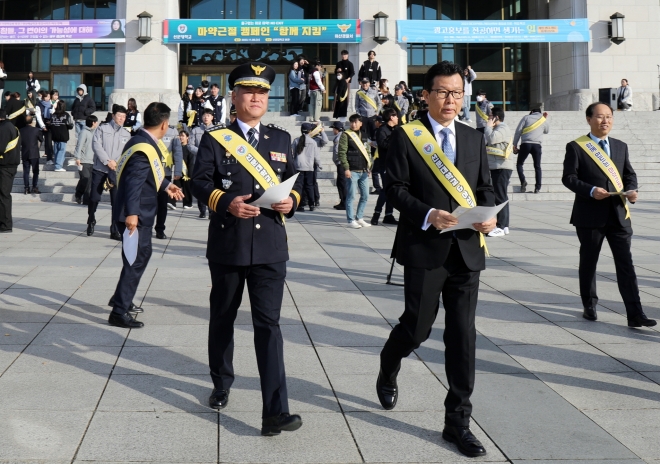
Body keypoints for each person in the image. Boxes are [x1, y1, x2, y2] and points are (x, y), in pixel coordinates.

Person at [377, 61, 496, 459]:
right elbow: (393, 187)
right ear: (425, 95)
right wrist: (428, 214)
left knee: (463, 336)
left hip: (466, 251)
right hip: (425, 248)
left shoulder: (473, 137)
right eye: (443, 92)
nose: (451, 100)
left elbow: (485, 188)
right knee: (417, 329)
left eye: (458, 93)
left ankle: (457, 422)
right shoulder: (407, 137)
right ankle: (390, 359)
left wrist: (491, 216)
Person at [191, 61, 304, 436]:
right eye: (248, 91)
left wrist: (294, 201)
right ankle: (221, 382)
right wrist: (226, 203)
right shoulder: (215, 138)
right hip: (229, 243)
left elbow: (300, 184)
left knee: (268, 326)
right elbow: (199, 183)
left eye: (262, 92)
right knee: (223, 317)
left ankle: (275, 410)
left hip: (271, 246)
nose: (256, 97)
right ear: (234, 96)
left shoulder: (281, 139)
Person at [562, 102, 656, 328]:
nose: (605, 121)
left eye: (609, 117)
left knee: (626, 264)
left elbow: (629, 175)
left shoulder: (620, 146)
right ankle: (590, 305)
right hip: (590, 215)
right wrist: (592, 191)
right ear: (588, 119)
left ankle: (635, 313)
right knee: (589, 262)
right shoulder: (576, 147)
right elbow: (569, 178)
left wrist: (632, 190)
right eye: (600, 117)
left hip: (619, 214)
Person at [108, 102, 183, 329]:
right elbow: (133, 182)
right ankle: (119, 310)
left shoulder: (139, 141)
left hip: (138, 211)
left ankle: (122, 298)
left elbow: (149, 175)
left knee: (138, 256)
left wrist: (167, 185)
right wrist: (132, 214)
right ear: (164, 123)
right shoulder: (144, 146)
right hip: (137, 214)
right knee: (136, 258)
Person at [88, 105, 129, 239]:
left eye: (124, 117)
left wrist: (117, 164)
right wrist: (107, 161)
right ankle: (91, 219)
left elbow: (126, 153)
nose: (122, 119)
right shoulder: (102, 129)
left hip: (116, 171)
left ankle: (114, 229)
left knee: (116, 201)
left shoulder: (126, 134)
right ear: (113, 116)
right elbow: (96, 145)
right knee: (94, 198)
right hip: (100, 169)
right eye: (119, 116)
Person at [484, 107, 513, 237]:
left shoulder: (503, 128)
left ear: (496, 117)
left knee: (500, 197)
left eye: (490, 116)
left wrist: (488, 127)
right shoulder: (498, 129)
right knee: (500, 196)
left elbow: (492, 139)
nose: (488, 119)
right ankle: (504, 226)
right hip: (497, 166)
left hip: (501, 167)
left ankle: (501, 226)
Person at [338, 114, 371, 229]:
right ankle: (350, 220)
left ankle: (360, 217)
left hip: (363, 171)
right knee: (351, 196)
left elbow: (368, 152)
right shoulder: (346, 135)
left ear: (361, 123)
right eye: (352, 122)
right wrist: (346, 168)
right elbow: (342, 153)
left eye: (356, 122)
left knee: (365, 195)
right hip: (352, 171)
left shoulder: (365, 135)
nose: (353, 124)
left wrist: (369, 166)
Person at [370, 108, 398, 226]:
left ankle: (388, 215)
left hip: (395, 164)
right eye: (396, 116)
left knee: (391, 189)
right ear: (391, 117)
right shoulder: (382, 130)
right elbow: (383, 145)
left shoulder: (396, 129)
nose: (398, 118)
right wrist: (394, 139)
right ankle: (376, 214)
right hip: (385, 164)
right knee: (385, 190)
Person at [156, 124, 183, 239]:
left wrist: (178, 170)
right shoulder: (148, 128)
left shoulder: (172, 132)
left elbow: (177, 151)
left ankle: (160, 229)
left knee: (162, 204)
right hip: (150, 173)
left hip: (165, 173)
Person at [513, 109, 549, 194]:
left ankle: (523, 181)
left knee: (519, 164)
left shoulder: (526, 118)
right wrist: (543, 120)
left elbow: (518, 131)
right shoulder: (542, 119)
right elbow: (547, 131)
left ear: (532, 112)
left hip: (526, 144)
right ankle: (537, 188)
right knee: (537, 167)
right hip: (537, 145)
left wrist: (515, 144)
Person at [188, 108, 215, 218]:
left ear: (212, 117)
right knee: (200, 185)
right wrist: (201, 153)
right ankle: (202, 210)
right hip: (198, 162)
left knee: (212, 186)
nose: (206, 117)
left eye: (208, 115)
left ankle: (212, 210)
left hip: (213, 163)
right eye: (204, 115)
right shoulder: (196, 130)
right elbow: (190, 145)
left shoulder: (217, 130)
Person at [292, 123, 321, 212]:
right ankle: (311, 204)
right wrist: (319, 165)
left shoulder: (296, 140)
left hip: (298, 166)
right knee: (309, 186)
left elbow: (292, 153)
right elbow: (316, 156)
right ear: (310, 131)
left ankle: (300, 205)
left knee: (299, 186)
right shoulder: (313, 142)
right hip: (309, 167)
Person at [0, 109, 20, 233]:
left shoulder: (4, 128)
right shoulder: (12, 127)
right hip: (9, 165)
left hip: (5, 166)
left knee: (3, 195)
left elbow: (0, 147)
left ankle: (5, 224)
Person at [73, 115, 99, 204]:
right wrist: (78, 157)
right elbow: (79, 145)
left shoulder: (96, 132)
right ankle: (78, 194)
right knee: (85, 178)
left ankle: (86, 200)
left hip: (93, 160)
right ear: (93, 123)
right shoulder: (84, 132)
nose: (97, 123)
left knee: (90, 181)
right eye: (96, 122)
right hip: (84, 160)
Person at [19, 112, 43, 195]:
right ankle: (34, 187)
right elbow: (41, 139)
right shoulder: (36, 130)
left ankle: (26, 188)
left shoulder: (21, 130)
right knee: (35, 171)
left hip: (25, 152)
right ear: (32, 122)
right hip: (34, 153)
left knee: (26, 171)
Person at [50, 100, 73, 172]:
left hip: (54, 134)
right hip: (63, 135)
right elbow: (70, 125)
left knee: (56, 150)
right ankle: (58, 166)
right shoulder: (66, 115)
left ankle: (57, 164)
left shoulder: (53, 114)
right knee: (61, 150)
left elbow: (50, 124)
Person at [331, 121, 346, 210]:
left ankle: (344, 202)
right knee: (340, 183)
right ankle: (343, 201)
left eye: (333, 128)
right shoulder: (342, 135)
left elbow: (337, 151)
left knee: (342, 183)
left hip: (341, 163)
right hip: (341, 163)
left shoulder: (338, 138)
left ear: (337, 129)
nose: (333, 130)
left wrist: (336, 160)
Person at [178, 130, 194, 209]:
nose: (181, 137)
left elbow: (191, 162)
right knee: (176, 186)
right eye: (180, 136)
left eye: (183, 136)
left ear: (187, 137)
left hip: (186, 172)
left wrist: (189, 174)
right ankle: (172, 202)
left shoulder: (189, 148)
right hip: (178, 170)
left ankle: (188, 203)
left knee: (186, 188)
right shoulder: (177, 147)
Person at [37, 90, 53, 164]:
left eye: (49, 96)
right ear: (43, 97)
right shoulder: (39, 104)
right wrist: (43, 126)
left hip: (49, 124)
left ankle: (49, 159)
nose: (48, 98)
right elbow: (38, 116)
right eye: (46, 96)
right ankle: (35, 157)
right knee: (38, 142)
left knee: (49, 142)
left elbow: (53, 114)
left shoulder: (51, 104)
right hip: (41, 125)